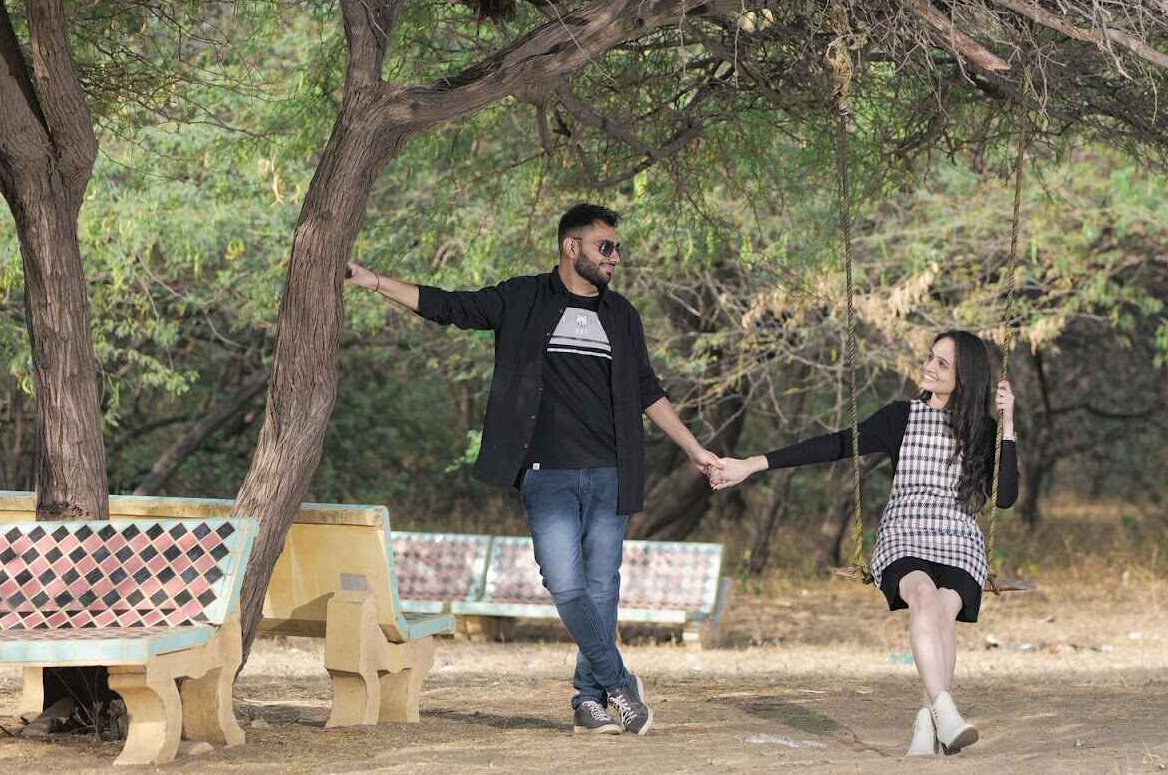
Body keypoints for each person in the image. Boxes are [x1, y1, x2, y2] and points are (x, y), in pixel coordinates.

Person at [346, 203, 720, 736]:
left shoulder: (622, 316)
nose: (615, 257)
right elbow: (450, 306)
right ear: (573, 248)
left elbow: (649, 393)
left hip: (612, 473)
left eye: (616, 248)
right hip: (546, 474)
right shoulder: (522, 297)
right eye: (605, 247)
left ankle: (588, 703)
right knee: (564, 583)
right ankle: (619, 683)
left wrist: (694, 450)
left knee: (602, 589)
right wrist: (374, 281)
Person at [710, 329, 1018, 756]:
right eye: (930, 357)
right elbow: (836, 444)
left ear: (965, 378)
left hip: (960, 537)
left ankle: (926, 721)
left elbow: (1004, 498)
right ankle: (944, 709)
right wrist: (753, 464)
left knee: (943, 612)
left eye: (941, 364)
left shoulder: (981, 430)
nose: (928, 366)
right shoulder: (900, 417)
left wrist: (1007, 425)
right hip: (905, 531)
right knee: (925, 598)